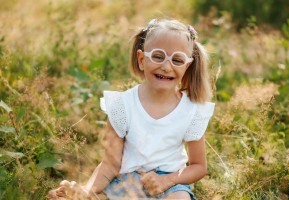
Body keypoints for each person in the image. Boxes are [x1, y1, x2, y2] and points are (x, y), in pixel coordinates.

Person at [48, 18, 215, 200]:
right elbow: (110, 164)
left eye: (177, 60)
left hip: (171, 185)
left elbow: (198, 167)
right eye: (158, 56)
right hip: (127, 182)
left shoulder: (191, 110)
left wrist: (167, 180)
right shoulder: (123, 105)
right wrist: (87, 190)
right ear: (142, 59)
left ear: (187, 66)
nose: (167, 67)